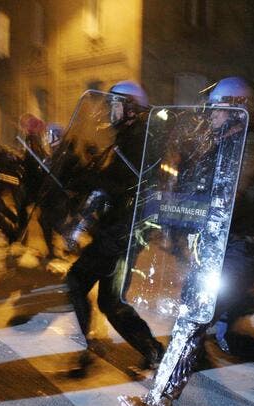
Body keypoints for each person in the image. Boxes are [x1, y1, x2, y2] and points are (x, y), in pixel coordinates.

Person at [119, 77, 254, 406]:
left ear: (238, 109)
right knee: (212, 328)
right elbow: (195, 187)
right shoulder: (223, 143)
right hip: (220, 247)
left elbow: (223, 198)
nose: (211, 117)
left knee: (192, 322)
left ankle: (157, 404)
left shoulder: (250, 145)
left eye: (218, 110)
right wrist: (166, 198)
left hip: (237, 249)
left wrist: (175, 206)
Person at [65, 81, 164, 375]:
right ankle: (152, 350)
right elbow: (110, 181)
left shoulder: (140, 140)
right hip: (118, 230)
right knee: (110, 300)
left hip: (123, 233)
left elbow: (123, 183)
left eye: (116, 105)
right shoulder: (127, 138)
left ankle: (95, 341)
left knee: (78, 280)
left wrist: (88, 178)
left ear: (131, 108)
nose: (110, 111)